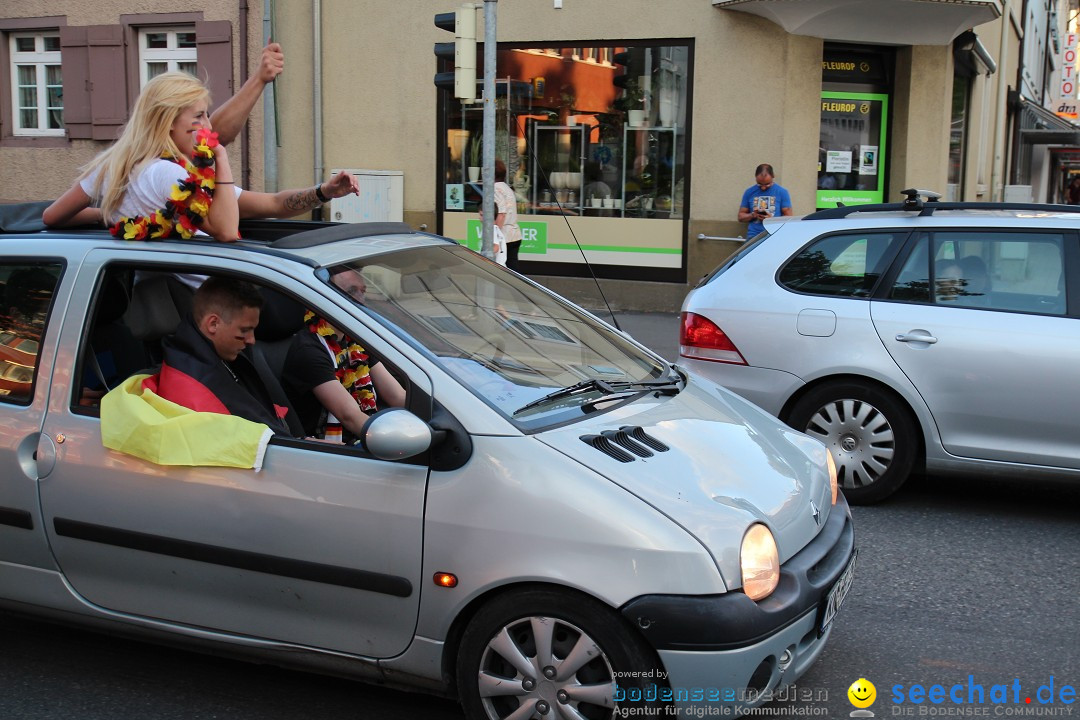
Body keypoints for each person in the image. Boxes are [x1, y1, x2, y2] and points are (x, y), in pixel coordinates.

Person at [43, 71, 360, 241]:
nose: (208, 126)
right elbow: (225, 232)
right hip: (207, 308)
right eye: (199, 117)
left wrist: (324, 192)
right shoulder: (168, 174)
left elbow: (53, 217)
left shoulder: (114, 167)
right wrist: (220, 158)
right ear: (168, 123)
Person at [144, 277, 293, 435]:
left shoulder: (207, 351)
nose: (251, 340)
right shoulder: (197, 392)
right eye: (244, 330)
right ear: (213, 324)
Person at [281, 267, 405, 442]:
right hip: (327, 450)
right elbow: (350, 416)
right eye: (351, 291)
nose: (359, 299)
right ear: (325, 297)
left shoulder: (356, 341)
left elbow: (397, 396)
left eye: (362, 291)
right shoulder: (309, 350)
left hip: (359, 439)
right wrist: (393, 441)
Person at [738, 163, 793, 237]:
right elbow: (740, 217)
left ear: (773, 176)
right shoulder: (749, 192)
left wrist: (771, 219)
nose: (763, 188)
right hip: (753, 236)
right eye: (759, 184)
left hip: (774, 235)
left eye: (767, 184)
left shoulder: (781, 192)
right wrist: (753, 215)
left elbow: (789, 218)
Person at [493, 159, 522, 269]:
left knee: (503, 270)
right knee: (513, 270)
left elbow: (501, 214)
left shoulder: (496, 189)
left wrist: (496, 235)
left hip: (505, 236)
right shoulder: (506, 187)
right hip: (514, 234)